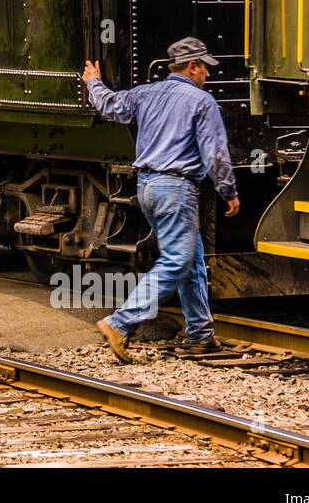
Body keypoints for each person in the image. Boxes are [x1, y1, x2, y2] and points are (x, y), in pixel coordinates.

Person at [82, 37, 241, 363]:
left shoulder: (146, 93)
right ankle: (119, 323)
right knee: (176, 262)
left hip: (147, 187)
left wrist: (94, 83)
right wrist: (229, 191)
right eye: (205, 69)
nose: (207, 76)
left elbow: (110, 105)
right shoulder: (201, 102)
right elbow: (216, 155)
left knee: (191, 259)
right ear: (193, 66)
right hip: (176, 190)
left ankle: (200, 335)